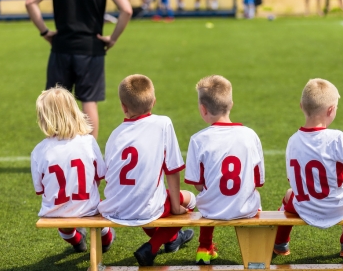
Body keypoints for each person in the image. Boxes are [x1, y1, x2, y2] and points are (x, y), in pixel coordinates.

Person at [272, 78, 343, 257]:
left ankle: (280, 244)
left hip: (304, 208)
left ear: (301, 106)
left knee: (289, 194)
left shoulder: (292, 140)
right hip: (337, 208)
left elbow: (293, 180)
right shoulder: (336, 138)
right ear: (331, 110)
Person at [97, 74, 195, 266]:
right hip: (146, 208)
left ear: (123, 107)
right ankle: (154, 244)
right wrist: (176, 207)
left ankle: (173, 239)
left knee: (149, 197)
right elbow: (172, 170)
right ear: (154, 101)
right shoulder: (163, 123)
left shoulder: (115, 134)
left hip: (115, 207)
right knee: (190, 199)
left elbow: (108, 175)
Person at [25, 0, 132, 140]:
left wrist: (45, 32)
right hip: (91, 48)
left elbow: (30, 1)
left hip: (62, 47)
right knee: (89, 102)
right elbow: (126, 9)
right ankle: (89, 156)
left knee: (55, 102)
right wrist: (113, 38)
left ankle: (56, 155)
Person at [185, 75, 265, 265]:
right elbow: (258, 181)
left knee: (206, 196)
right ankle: (255, 253)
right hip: (246, 209)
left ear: (203, 109)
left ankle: (204, 248)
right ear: (231, 104)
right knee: (256, 202)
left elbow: (197, 184)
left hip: (210, 210)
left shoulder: (198, 139)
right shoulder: (250, 135)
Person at [31, 86, 115, 254]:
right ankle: (106, 240)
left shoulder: (39, 151)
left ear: (44, 117)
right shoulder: (88, 141)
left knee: (64, 225)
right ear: (74, 111)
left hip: (55, 212)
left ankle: (77, 241)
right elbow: (100, 176)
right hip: (88, 206)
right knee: (100, 220)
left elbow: (40, 189)